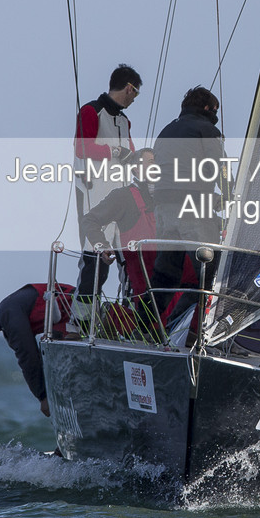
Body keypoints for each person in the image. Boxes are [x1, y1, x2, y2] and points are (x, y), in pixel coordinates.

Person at [77, 149, 195, 333]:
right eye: (150, 162)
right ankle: (111, 318)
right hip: (140, 287)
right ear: (136, 171)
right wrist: (101, 246)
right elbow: (89, 220)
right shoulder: (123, 197)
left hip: (174, 286)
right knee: (145, 329)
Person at [74, 65, 143, 305]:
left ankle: (130, 318)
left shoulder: (124, 121)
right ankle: (80, 321)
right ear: (129, 88)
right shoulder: (91, 112)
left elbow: (132, 156)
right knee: (96, 263)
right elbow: (81, 148)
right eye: (136, 93)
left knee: (130, 262)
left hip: (122, 199)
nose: (135, 99)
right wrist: (114, 151)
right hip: (96, 197)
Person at [151, 86, 226, 296]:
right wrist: (230, 196)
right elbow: (219, 167)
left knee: (166, 272)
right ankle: (208, 323)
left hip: (163, 208)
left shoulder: (165, 131)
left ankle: (145, 324)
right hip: (192, 207)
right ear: (207, 107)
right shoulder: (207, 130)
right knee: (211, 271)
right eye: (215, 111)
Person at [0, 283, 75, 416]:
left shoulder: (7, 313)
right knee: (48, 342)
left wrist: (43, 397)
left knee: (50, 343)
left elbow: (27, 355)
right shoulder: (8, 321)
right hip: (73, 317)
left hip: (78, 310)